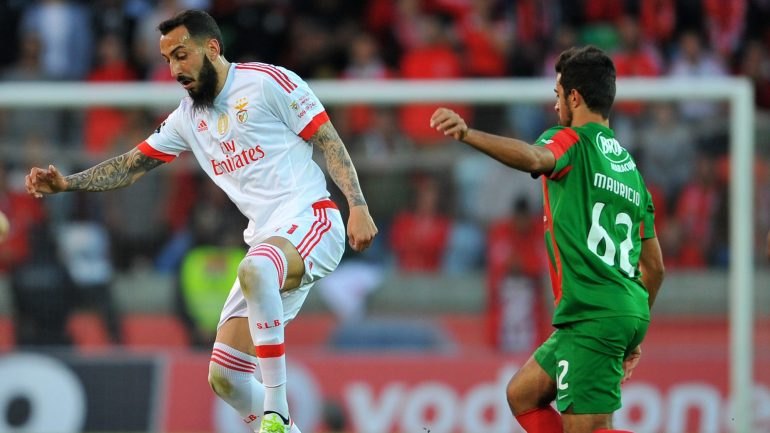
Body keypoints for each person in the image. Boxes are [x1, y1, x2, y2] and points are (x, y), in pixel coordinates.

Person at [25, 10, 377, 433]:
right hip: (267, 242)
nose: (174, 69)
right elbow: (132, 166)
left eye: (181, 55)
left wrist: (357, 204)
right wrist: (67, 184)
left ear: (212, 48)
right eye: (167, 60)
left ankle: (277, 412)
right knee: (224, 377)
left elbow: (327, 139)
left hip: (313, 220)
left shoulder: (267, 82)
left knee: (255, 267)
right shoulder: (187, 119)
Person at [430, 45, 665, 433]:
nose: (555, 106)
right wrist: (632, 326)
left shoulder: (572, 142)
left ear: (574, 97)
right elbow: (655, 266)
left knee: (588, 429)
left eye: (558, 96)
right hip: (621, 310)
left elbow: (535, 158)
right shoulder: (631, 171)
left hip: (593, 313)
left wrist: (469, 134)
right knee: (523, 394)